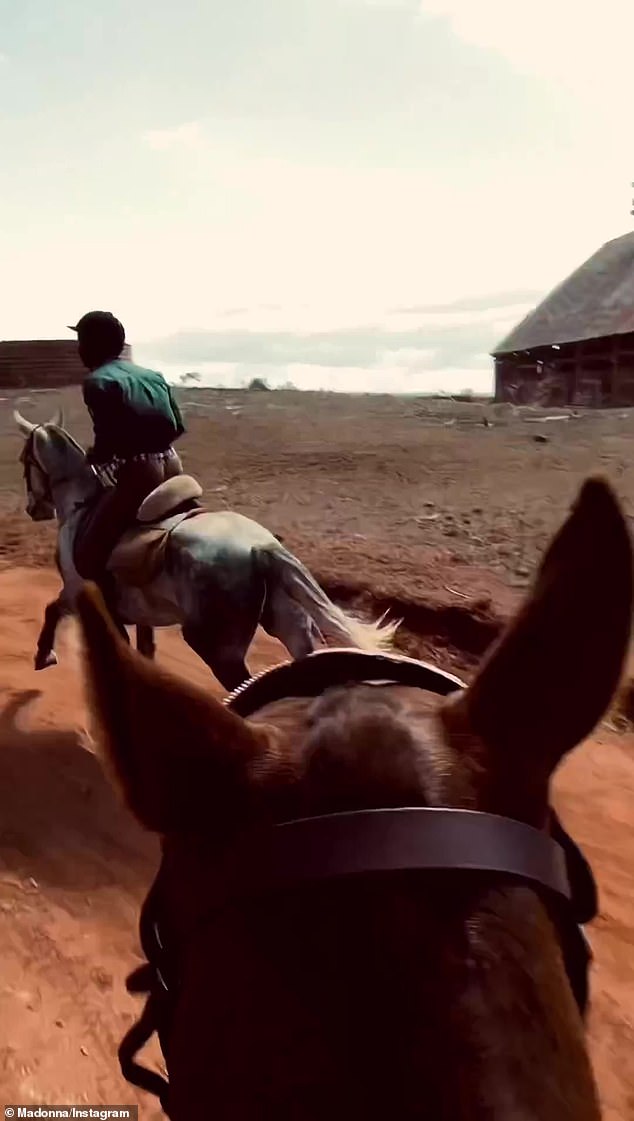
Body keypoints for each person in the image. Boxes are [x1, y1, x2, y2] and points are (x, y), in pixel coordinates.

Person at [70, 310, 185, 628]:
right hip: (174, 466)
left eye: (81, 341)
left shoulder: (97, 382)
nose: (78, 350)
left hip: (140, 474)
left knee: (91, 552)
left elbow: (108, 438)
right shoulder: (153, 375)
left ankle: (111, 615)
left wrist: (95, 455)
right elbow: (177, 425)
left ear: (93, 345)